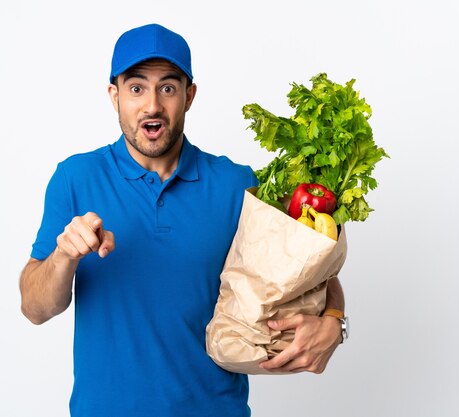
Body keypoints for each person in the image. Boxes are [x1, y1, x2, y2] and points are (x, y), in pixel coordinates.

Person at [19, 23, 346, 417]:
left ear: (189, 96)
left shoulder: (237, 185)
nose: (152, 105)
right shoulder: (75, 178)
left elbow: (311, 271)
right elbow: (34, 308)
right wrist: (63, 256)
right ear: (114, 95)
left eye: (168, 88)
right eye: (136, 88)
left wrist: (334, 322)